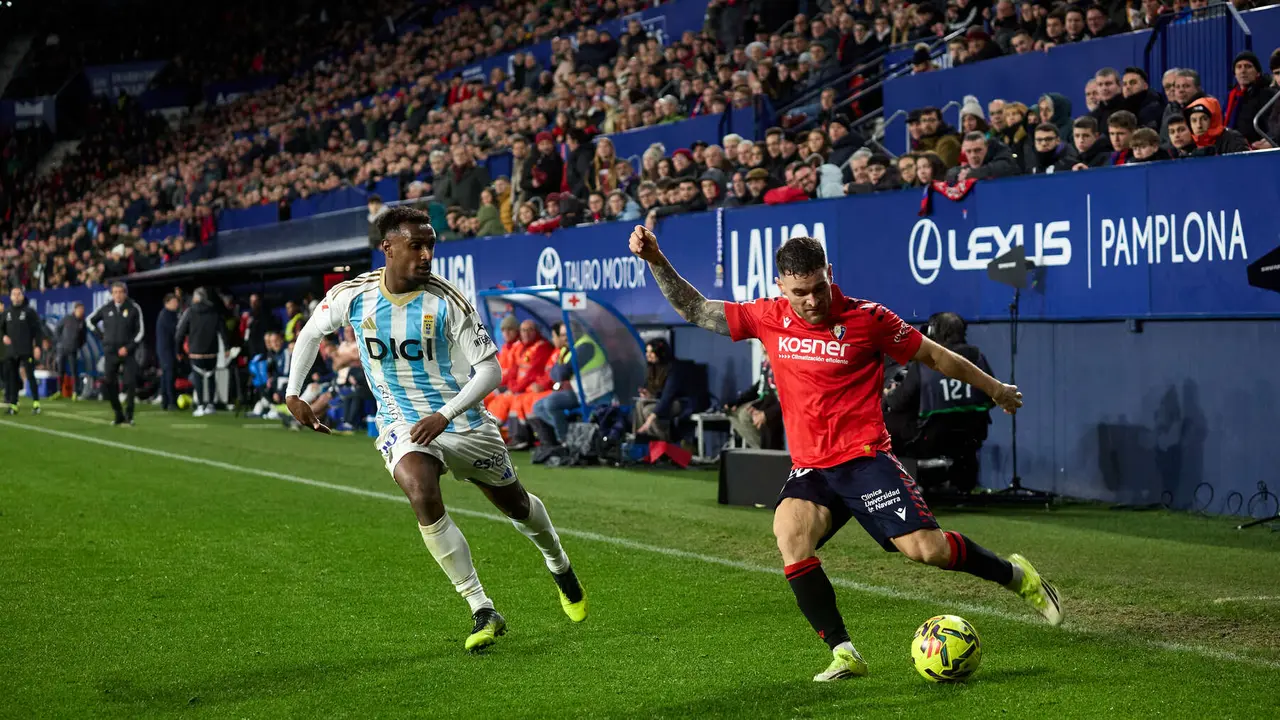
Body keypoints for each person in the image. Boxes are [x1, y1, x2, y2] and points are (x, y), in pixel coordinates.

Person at [627, 227, 1063, 682]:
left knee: (926, 551)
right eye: (800, 293)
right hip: (813, 467)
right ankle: (844, 652)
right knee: (790, 536)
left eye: (818, 288)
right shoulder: (767, 316)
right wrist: (656, 258)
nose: (812, 300)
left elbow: (935, 356)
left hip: (864, 459)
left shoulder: (868, 318)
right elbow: (696, 308)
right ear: (781, 287)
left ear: (829, 275)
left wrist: (995, 389)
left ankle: (1018, 577)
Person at [284, 206, 586, 652]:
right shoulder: (354, 295)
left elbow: (489, 371)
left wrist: (444, 414)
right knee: (420, 490)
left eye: (430, 246)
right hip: (401, 422)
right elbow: (311, 333)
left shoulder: (447, 299)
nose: (426, 255)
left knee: (517, 506)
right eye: (416, 246)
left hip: (461, 420)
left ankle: (558, 563)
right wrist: (294, 393)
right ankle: (481, 607)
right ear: (388, 248)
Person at [532, 322, 614, 445]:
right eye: (563, 335)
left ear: (578, 332)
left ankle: (566, 440)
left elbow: (562, 373)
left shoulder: (585, 346)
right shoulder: (568, 348)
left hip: (596, 392)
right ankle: (571, 433)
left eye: (568, 333)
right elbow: (554, 374)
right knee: (538, 406)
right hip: (581, 392)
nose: (565, 337)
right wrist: (560, 370)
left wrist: (560, 370)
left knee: (551, 402)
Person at [88, 281, 145, 425]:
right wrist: (101, 336)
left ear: (125, 293)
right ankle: (118, 413)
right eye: (115, 292)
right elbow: (89, 320)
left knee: (130, 382)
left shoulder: (134, 308)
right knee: (109, 383)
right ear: (111, 294)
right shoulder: (106, 308)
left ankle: (129, 414)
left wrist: (129, 347)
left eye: (121, 292)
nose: (118, 295)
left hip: (128, 352)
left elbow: (140, 331)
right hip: (110, 352)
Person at [175, 288, 226, 418]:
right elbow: (223, 330)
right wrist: (227, 347)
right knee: (210, 377)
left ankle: (200, 406)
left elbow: (180, 333)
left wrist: (178, 350)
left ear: (196, 298)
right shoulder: (214, 312)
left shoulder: (190, 312)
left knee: (198, 378)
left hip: (196, 351)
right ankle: (210, 405)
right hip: (212, 350)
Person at [631, 337, 692, 441]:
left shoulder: (674, 368)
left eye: (651, 352)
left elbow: (668, 397)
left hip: (678, 402)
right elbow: (658, 392)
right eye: (647, 352)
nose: (647, 355)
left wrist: (650, 419)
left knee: (649, 411)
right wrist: (650, 395)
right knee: (639, 404)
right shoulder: (652, 367)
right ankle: (641, 438)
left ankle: (661, 441)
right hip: (662, 400)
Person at [1, 287, 47, 415]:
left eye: (18, 294)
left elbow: (38, 330)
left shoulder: (29, 312)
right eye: (14, 294)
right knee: (12, 378)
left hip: (26, 349)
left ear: (22, 296)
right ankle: (13, 405)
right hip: (12, 351)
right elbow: (1, 329)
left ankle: (36, 403)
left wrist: (37, 346)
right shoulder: (6, 313)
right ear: (10, 297)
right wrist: (3, 336)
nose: (16, 296)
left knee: (30, 376)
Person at [55, 302, 87, 400]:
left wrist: (78, 346)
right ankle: (59, 391)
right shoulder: (67, 318)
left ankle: (75, 392)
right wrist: (60, 342)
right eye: (79, 310)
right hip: (62, 348)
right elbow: (57, 329)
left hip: (73, 350)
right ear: (75, 309)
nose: (81, 312)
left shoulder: (82, 322)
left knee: (74, 371)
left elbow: (83, 338)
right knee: (60, 371)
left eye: (82, 310)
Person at [155, 295, 180, 410]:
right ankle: (171, 402)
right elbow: (175, 330)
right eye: (174, 302)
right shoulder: (166, 316)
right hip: (166, 350)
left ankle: (165, 402)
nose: (176, 304)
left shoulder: (167, 314)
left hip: (165, 349)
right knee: (169, 375)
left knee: (166, 376)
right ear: (167, 303)